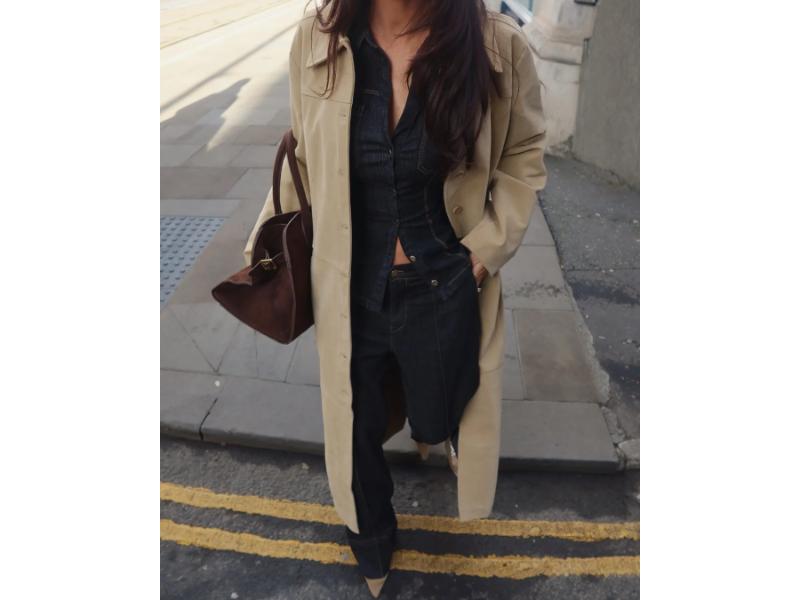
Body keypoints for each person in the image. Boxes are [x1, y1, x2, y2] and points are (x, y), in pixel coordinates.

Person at [243, 0, 546, 596]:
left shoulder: (496, 45)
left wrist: (482, 255)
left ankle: (432, 430)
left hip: (444, 283)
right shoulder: (318, 38)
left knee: (438, 410)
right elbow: (303, 153)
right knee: (354, 428)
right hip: (347, 287)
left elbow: (523, 153)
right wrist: (267, 249)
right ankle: (372, 538)